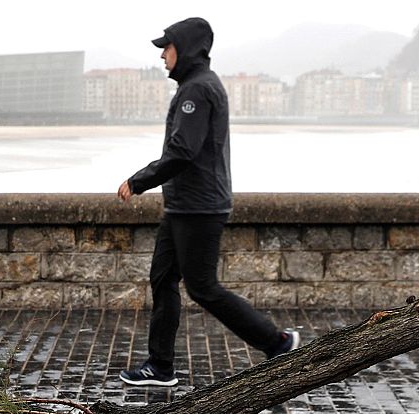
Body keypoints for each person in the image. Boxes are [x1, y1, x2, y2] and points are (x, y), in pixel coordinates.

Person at [116, 16, 299, 387]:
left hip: (199, 207)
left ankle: (277, 342)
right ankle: (160, 366)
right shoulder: (194, 86)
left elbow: (182, 151)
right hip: (185, 204)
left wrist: (138, 181)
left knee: (202, 287)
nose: (162, 56)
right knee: (163, 278)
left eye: (166, 48)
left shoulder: (197, 90)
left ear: (185, 49)